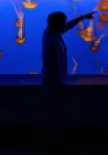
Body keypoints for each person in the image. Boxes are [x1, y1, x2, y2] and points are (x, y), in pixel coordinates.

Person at [42, 10, 95, 150]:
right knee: (54, 113)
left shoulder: (50, 33)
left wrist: (83, 16)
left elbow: (68, 26)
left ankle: (52, 140)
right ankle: (52, 143)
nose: (65, 24)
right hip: (54, 83)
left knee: (53, 112)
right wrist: (61, 85)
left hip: (53, 81)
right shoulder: (52, 41)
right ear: (58, 24)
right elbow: (54, 65)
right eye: (63, 22)